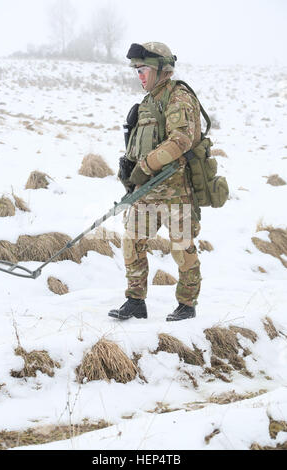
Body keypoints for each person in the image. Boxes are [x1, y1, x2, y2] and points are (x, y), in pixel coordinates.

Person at [108, 42, 202, 322]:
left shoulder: (178, 97)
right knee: (132, 242)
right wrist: (130, 173)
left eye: (143, 69)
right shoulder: (149, 101)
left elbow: (181, 141)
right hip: (146, 191)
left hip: (175, 191)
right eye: (136, 70)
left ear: (162, 69)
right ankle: (135, 302)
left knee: (181, 249)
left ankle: (187, 305)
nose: (139, 75)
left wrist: (145, 166)